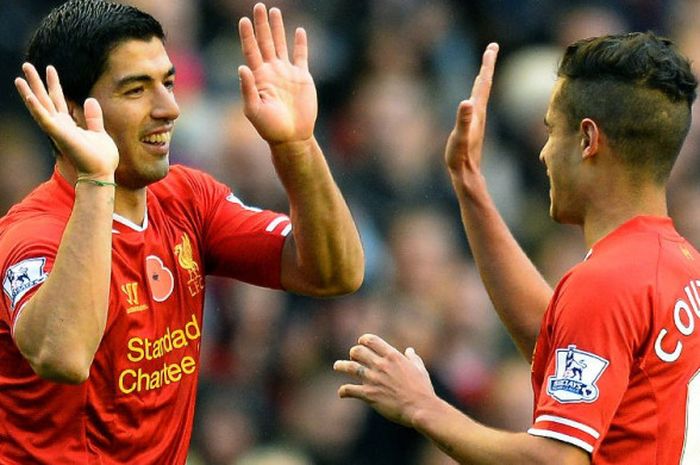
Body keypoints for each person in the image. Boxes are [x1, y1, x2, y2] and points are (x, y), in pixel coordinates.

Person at [0, 1, 364, 464]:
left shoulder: (189, 199)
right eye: (136, 90)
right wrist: (96, 179)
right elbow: (65, 356)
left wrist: (295, 144)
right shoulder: (29, 238)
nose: (169, 108)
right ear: (71, 113)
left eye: (168, 83)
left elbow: (336, 273)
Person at [335, 32, 700, 465]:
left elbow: (554, 459)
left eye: (552, 131)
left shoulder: (607, 282)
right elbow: (557, 338)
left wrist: (422, 406)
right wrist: (469, 184)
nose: (544, 153)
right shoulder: (681, 266)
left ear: (588, 140)